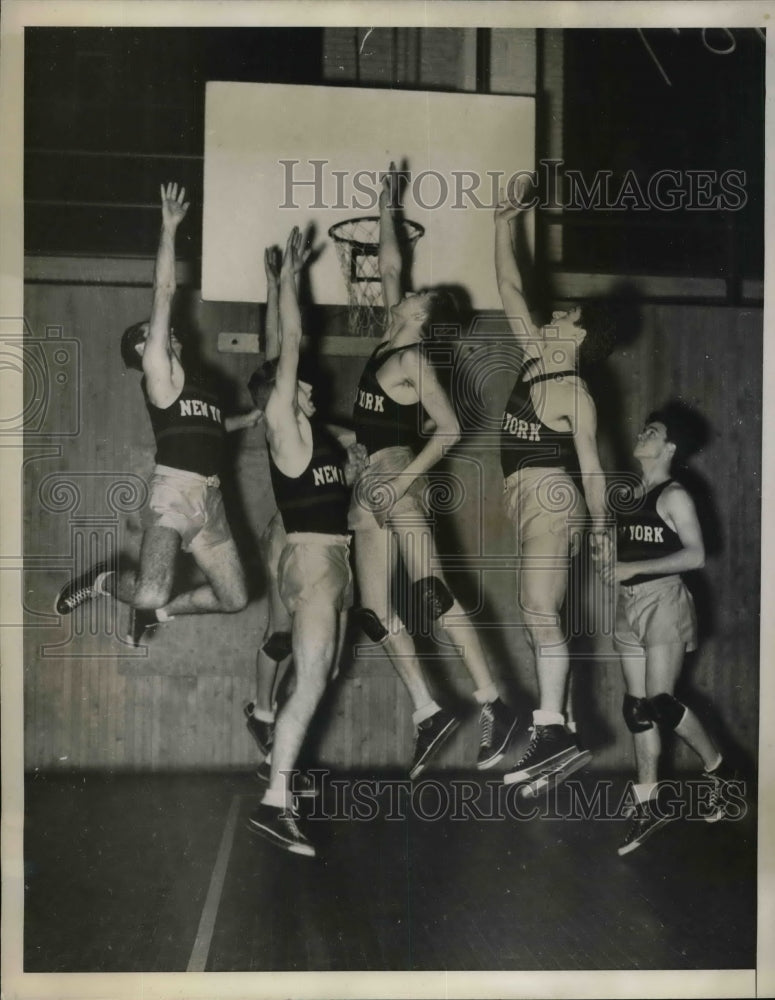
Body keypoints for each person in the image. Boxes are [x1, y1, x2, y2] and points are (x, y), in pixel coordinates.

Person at [349, 164, 518, 780]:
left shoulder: (414, 357)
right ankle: (427, 712)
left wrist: (400, 477)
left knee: (431, 591)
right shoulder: (389, 343)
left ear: (422, 317)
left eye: (417, 295)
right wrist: (386, 205)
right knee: (374, 613)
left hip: (397, 475)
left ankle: (495, 705)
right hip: (368, 482)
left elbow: (449, 430)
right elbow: (392, 263)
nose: (407, 289)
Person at [54, 183, 261, 645]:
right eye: (153, 331)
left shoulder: (197, 387)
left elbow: (207, 428)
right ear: (143, 351)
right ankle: (105, 582)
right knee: (147, 588)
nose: (164, 330)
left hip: (211, 500)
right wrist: (168, 228)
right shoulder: (159, 375)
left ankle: (156, 616)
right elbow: (164, 290)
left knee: (234, 598)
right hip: (174, 494)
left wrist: (243, 422)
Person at [493, 181, 615, 788]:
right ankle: (560, 730)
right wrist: (502, 223)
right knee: (533, 613)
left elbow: (592, 469)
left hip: (552, 497)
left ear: (580, 336)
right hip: (527, 498)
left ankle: (552, 730)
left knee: (540, 610)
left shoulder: (575, 392)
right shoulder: (539, 351)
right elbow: (509, 288)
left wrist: (598, 531)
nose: (556, 312)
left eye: (567, 315)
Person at [246, 227, 356, 857]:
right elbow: (287, 353)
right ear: (278, 405)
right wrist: (289, 279)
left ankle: (279, 767)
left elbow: (273, 355)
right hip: (312, 559)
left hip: (330, 558)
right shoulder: (284, 430)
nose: (309, 388)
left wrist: (270, 287)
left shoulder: (299, 431)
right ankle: (274, 801)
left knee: (326, 671)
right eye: (295, 390)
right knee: (312, 680)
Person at [596, 405, 738, 855]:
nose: (642, 433)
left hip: (664, 600)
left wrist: (630, 566)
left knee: (660, 701)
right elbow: (618, 554)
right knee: (635, 708)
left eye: (651, 431)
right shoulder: (631, 493)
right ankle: (648, 803)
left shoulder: (675, 495)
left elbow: (695, 555)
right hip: (630, 604)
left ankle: (719, 771)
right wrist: (605, 553)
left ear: (669, 446)